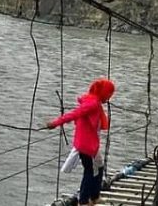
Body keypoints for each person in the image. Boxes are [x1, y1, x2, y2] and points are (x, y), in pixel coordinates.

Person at [47, 78, 115, 206]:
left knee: (99, 167)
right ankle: (83, 201)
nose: (109, 98)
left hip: (91, 143)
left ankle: (94, 196)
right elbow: (74, 114)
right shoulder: (92, 104)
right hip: (87, 145)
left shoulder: (94, 101)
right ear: (104, 92)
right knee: (89, 171)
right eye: (109, 95)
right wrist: (55, 123)